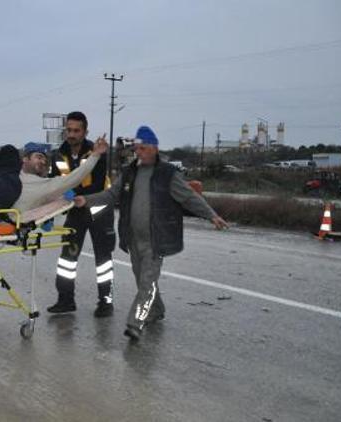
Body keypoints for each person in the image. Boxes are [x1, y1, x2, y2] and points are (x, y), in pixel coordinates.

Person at [74, 125, 228, 341]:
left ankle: (136, 322)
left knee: (146, 281)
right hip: (134, 237)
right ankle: (157, 309)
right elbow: (111, 195)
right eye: (137, 148)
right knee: (143, 279)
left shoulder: (167, 174)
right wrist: (86, 200)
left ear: (154, 148)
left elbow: (189, 197)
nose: (139, 152)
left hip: (157, 238)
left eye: (143, 148)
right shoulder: (129, 173)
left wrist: (211, 215)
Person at [47, 111, 116, 318]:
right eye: (69, 130)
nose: (72, 134)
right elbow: (53, 181)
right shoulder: (58, 154)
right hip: (75, 210)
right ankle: (65, 300)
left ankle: (106, 302)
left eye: (77, 130)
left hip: (98, 209)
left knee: (103, 259)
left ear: (85, 131)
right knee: (67, 258)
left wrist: (72, 193)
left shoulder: (96, 152)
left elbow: (96, 185)